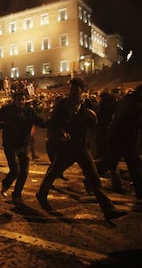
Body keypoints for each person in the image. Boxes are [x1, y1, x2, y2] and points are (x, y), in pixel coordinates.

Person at [35, 78, 127, 221]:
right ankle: (41, 194)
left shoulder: (87, 104)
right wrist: (61, 133)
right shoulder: (63, 105)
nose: (73, 93)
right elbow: (53, 123)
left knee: (94, 178)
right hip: (66, 148)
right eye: (71, 89)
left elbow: (93, 121)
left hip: (82, 148)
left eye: (76, 90)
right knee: (54, 172)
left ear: (82, 91)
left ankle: (108, 210)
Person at [0, 91, 47, 203]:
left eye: (23, 99)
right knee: (15, 171)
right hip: (10, 145)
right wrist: (7, 124)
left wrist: (54, 122)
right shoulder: (7, 110)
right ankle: (5, 184)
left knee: (24, 172)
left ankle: (17, 194)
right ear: (14, 100)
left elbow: (40, 122)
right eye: (19, 99)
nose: (21, 102)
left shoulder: (29, 111)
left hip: (24, 145)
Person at [96, 84, 142, 200]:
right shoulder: (133, 104)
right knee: (114, 162)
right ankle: (91, 176)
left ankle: (140, 192)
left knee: (130, 165)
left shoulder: (126, 101)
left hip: (121, 137)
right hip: (123, 138)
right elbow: (135, 122)